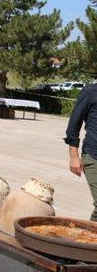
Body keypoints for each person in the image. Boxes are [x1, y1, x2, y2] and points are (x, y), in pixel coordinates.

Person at [65, 83, 97, 221]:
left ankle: (90, 237)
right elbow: (74, 125)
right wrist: (74, 156)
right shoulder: (90, 91)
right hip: (94, 156)